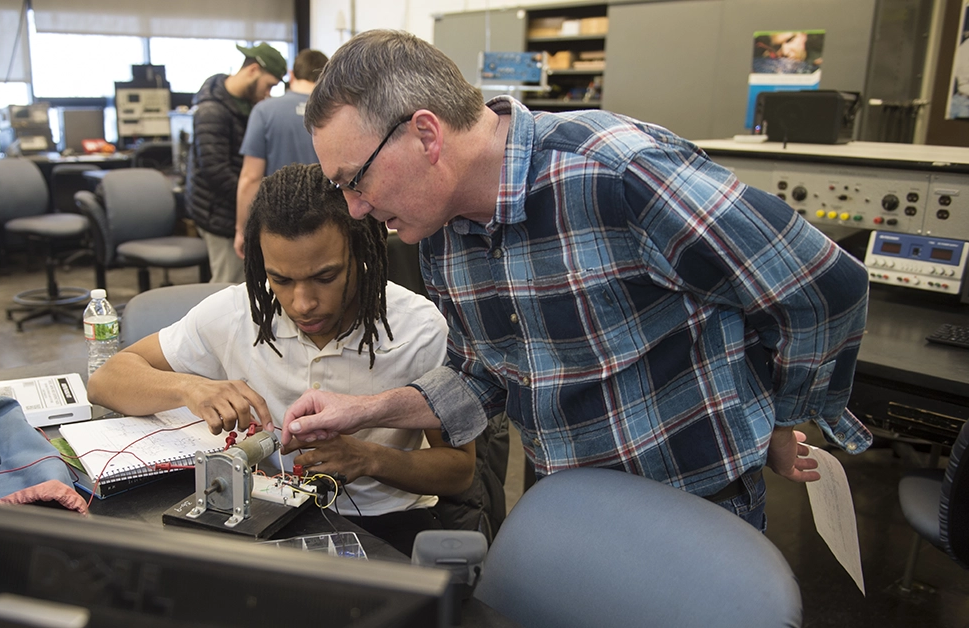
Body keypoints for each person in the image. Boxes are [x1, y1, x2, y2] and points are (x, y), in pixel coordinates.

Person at [282, 30, 873, 530]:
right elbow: (482, 375)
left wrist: (781, 412)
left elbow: (825, 287)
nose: (354, 208)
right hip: (567, 503)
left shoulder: (618, 173)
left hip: (688, 504)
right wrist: (361, 411)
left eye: (354, 179)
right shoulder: (440, 226)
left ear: (427, 135)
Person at [88, 163, 475, 554]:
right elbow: (106, 380)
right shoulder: (237, 313)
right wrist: (191, 387)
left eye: (325, 278)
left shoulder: (421, 329)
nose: (302, 304)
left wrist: (372, 459)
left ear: (360, 252)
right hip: (263, 511)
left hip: (384, 522)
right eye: (282, 280)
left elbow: (459, 471)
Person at [187, 42, 286, 284]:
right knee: (227, 287)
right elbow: (216, 171)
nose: (268, 93)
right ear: (253, 70)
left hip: (237, 208)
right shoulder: (211, 110)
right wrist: (257, 196)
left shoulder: (246, 105)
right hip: (218, 213)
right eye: (269, 85)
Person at [234, 49, 330, 260]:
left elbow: (251, 178)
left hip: (277, 224)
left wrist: (242, 230)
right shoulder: (335, 111)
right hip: (329, 223)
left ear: (292, 75)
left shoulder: (264, 111)